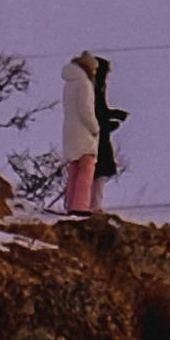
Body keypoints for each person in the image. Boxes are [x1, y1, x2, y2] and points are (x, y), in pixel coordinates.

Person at [58, 47, 124, 219]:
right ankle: (80, 206)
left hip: (70, 131)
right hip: (84, 133)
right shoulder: (85, 85)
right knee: (87, 169)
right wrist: (96, 128)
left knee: (74, 169)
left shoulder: (69, 84)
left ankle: (70, 203)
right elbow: (86, 111)